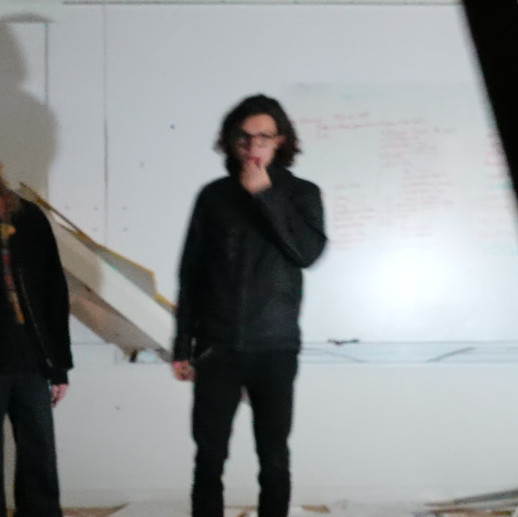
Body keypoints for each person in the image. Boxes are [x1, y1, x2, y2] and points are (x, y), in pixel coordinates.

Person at [172, 94, 327, 517]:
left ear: (281, 141)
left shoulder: (302, 194)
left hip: (275, 348)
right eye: (244, 137)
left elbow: (307, 253)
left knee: (273, 456)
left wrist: (266, 195)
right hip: (216, 347)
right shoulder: (214, 197)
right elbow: (191, 274)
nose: (253, 145)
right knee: (208, 457)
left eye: (263, 136)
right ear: (230, 142)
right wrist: (183, 344)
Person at [0, 162, 73, 517]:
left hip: (31, 358)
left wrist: (59, 366)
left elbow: (54, 292)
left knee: (39, 455)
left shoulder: (29, 218)